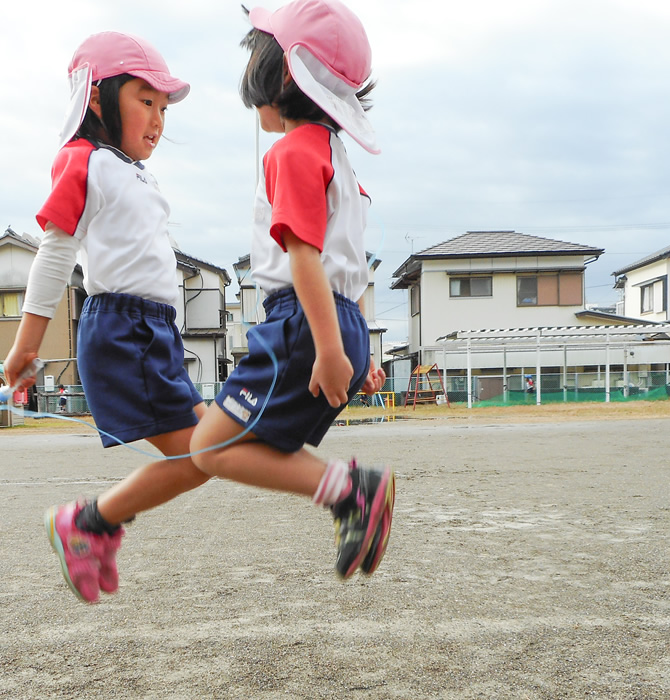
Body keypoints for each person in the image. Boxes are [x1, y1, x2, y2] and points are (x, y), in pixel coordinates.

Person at [188, 0, 393, 580]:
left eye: (257, 53)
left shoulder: (292, 151)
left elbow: (304, 256)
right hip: (338, 320)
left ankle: (351, 492)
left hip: (302, 324)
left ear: (281, 73)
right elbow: (345, 267)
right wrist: (357, 351)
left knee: (210, 448)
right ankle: (350, 493)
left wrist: (330, 350)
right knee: (265, 444)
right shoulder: (336, 156)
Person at [3, 32, 207, 604]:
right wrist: (26, 344)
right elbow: (55, 253)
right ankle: (90, 522)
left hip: (155, 332)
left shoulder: (135, 172)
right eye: (146, 101)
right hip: (124, 330)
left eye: (163, 108)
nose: (158, 120)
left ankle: (95, 524)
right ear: (97, 99)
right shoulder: (83, 160)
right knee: (202, 454)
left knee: (208, 451)